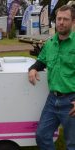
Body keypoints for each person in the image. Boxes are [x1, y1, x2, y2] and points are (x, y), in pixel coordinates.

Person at [28, 5, 75, 150]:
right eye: (59, 18)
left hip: (71, 101)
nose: (61, 22)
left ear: (73, 22)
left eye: (65, 19)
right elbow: (42, 60)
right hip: (52, 100)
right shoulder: (50, 43)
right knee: (42, 136)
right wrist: (33, 68)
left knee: (72, 144)